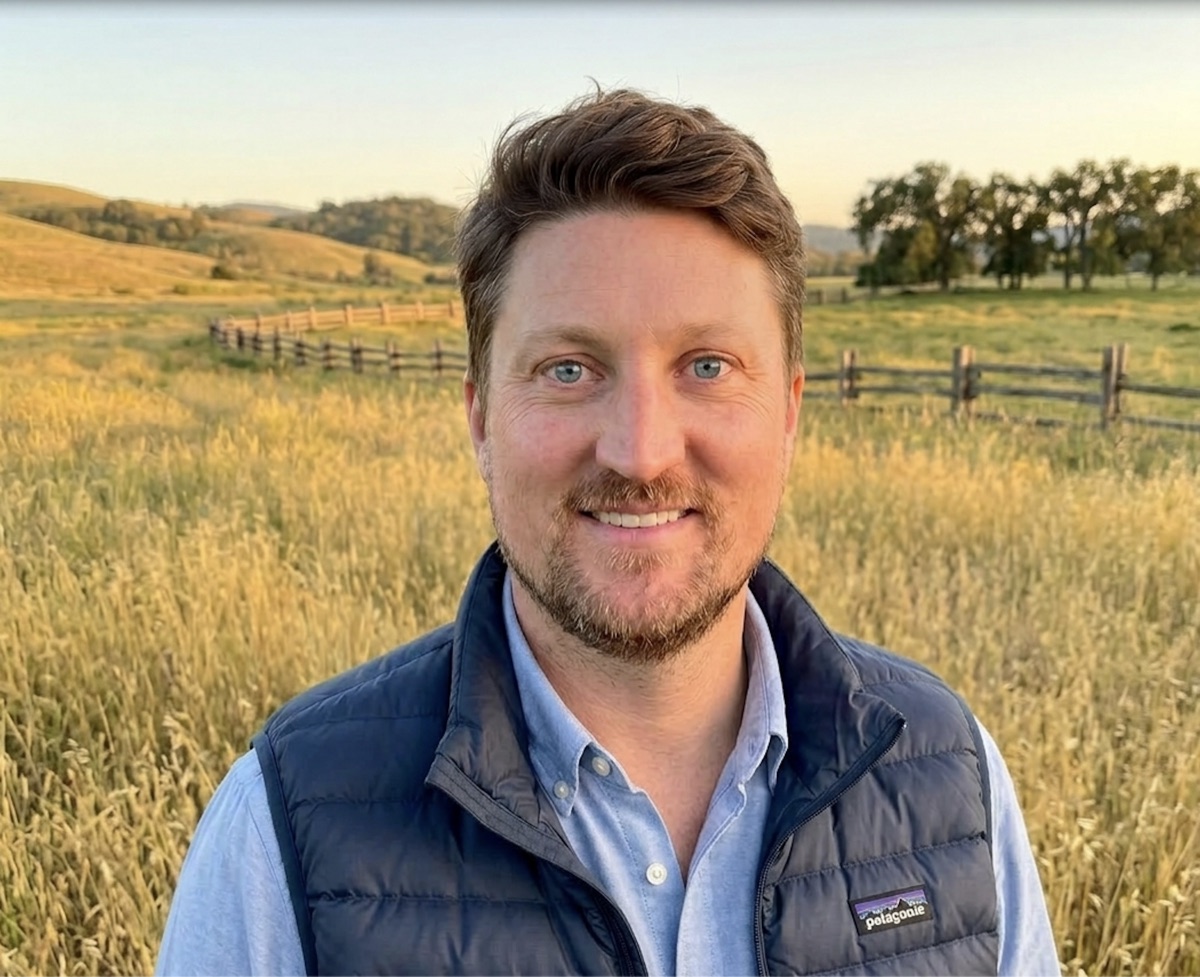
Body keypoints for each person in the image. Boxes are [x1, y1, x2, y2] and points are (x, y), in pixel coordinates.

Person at [156, 88, 1058, 977]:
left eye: (707, 365)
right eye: (568, 368)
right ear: (480, 419)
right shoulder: (285, 828)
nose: (639, 451)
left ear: (789, 412)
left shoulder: (949, 773)